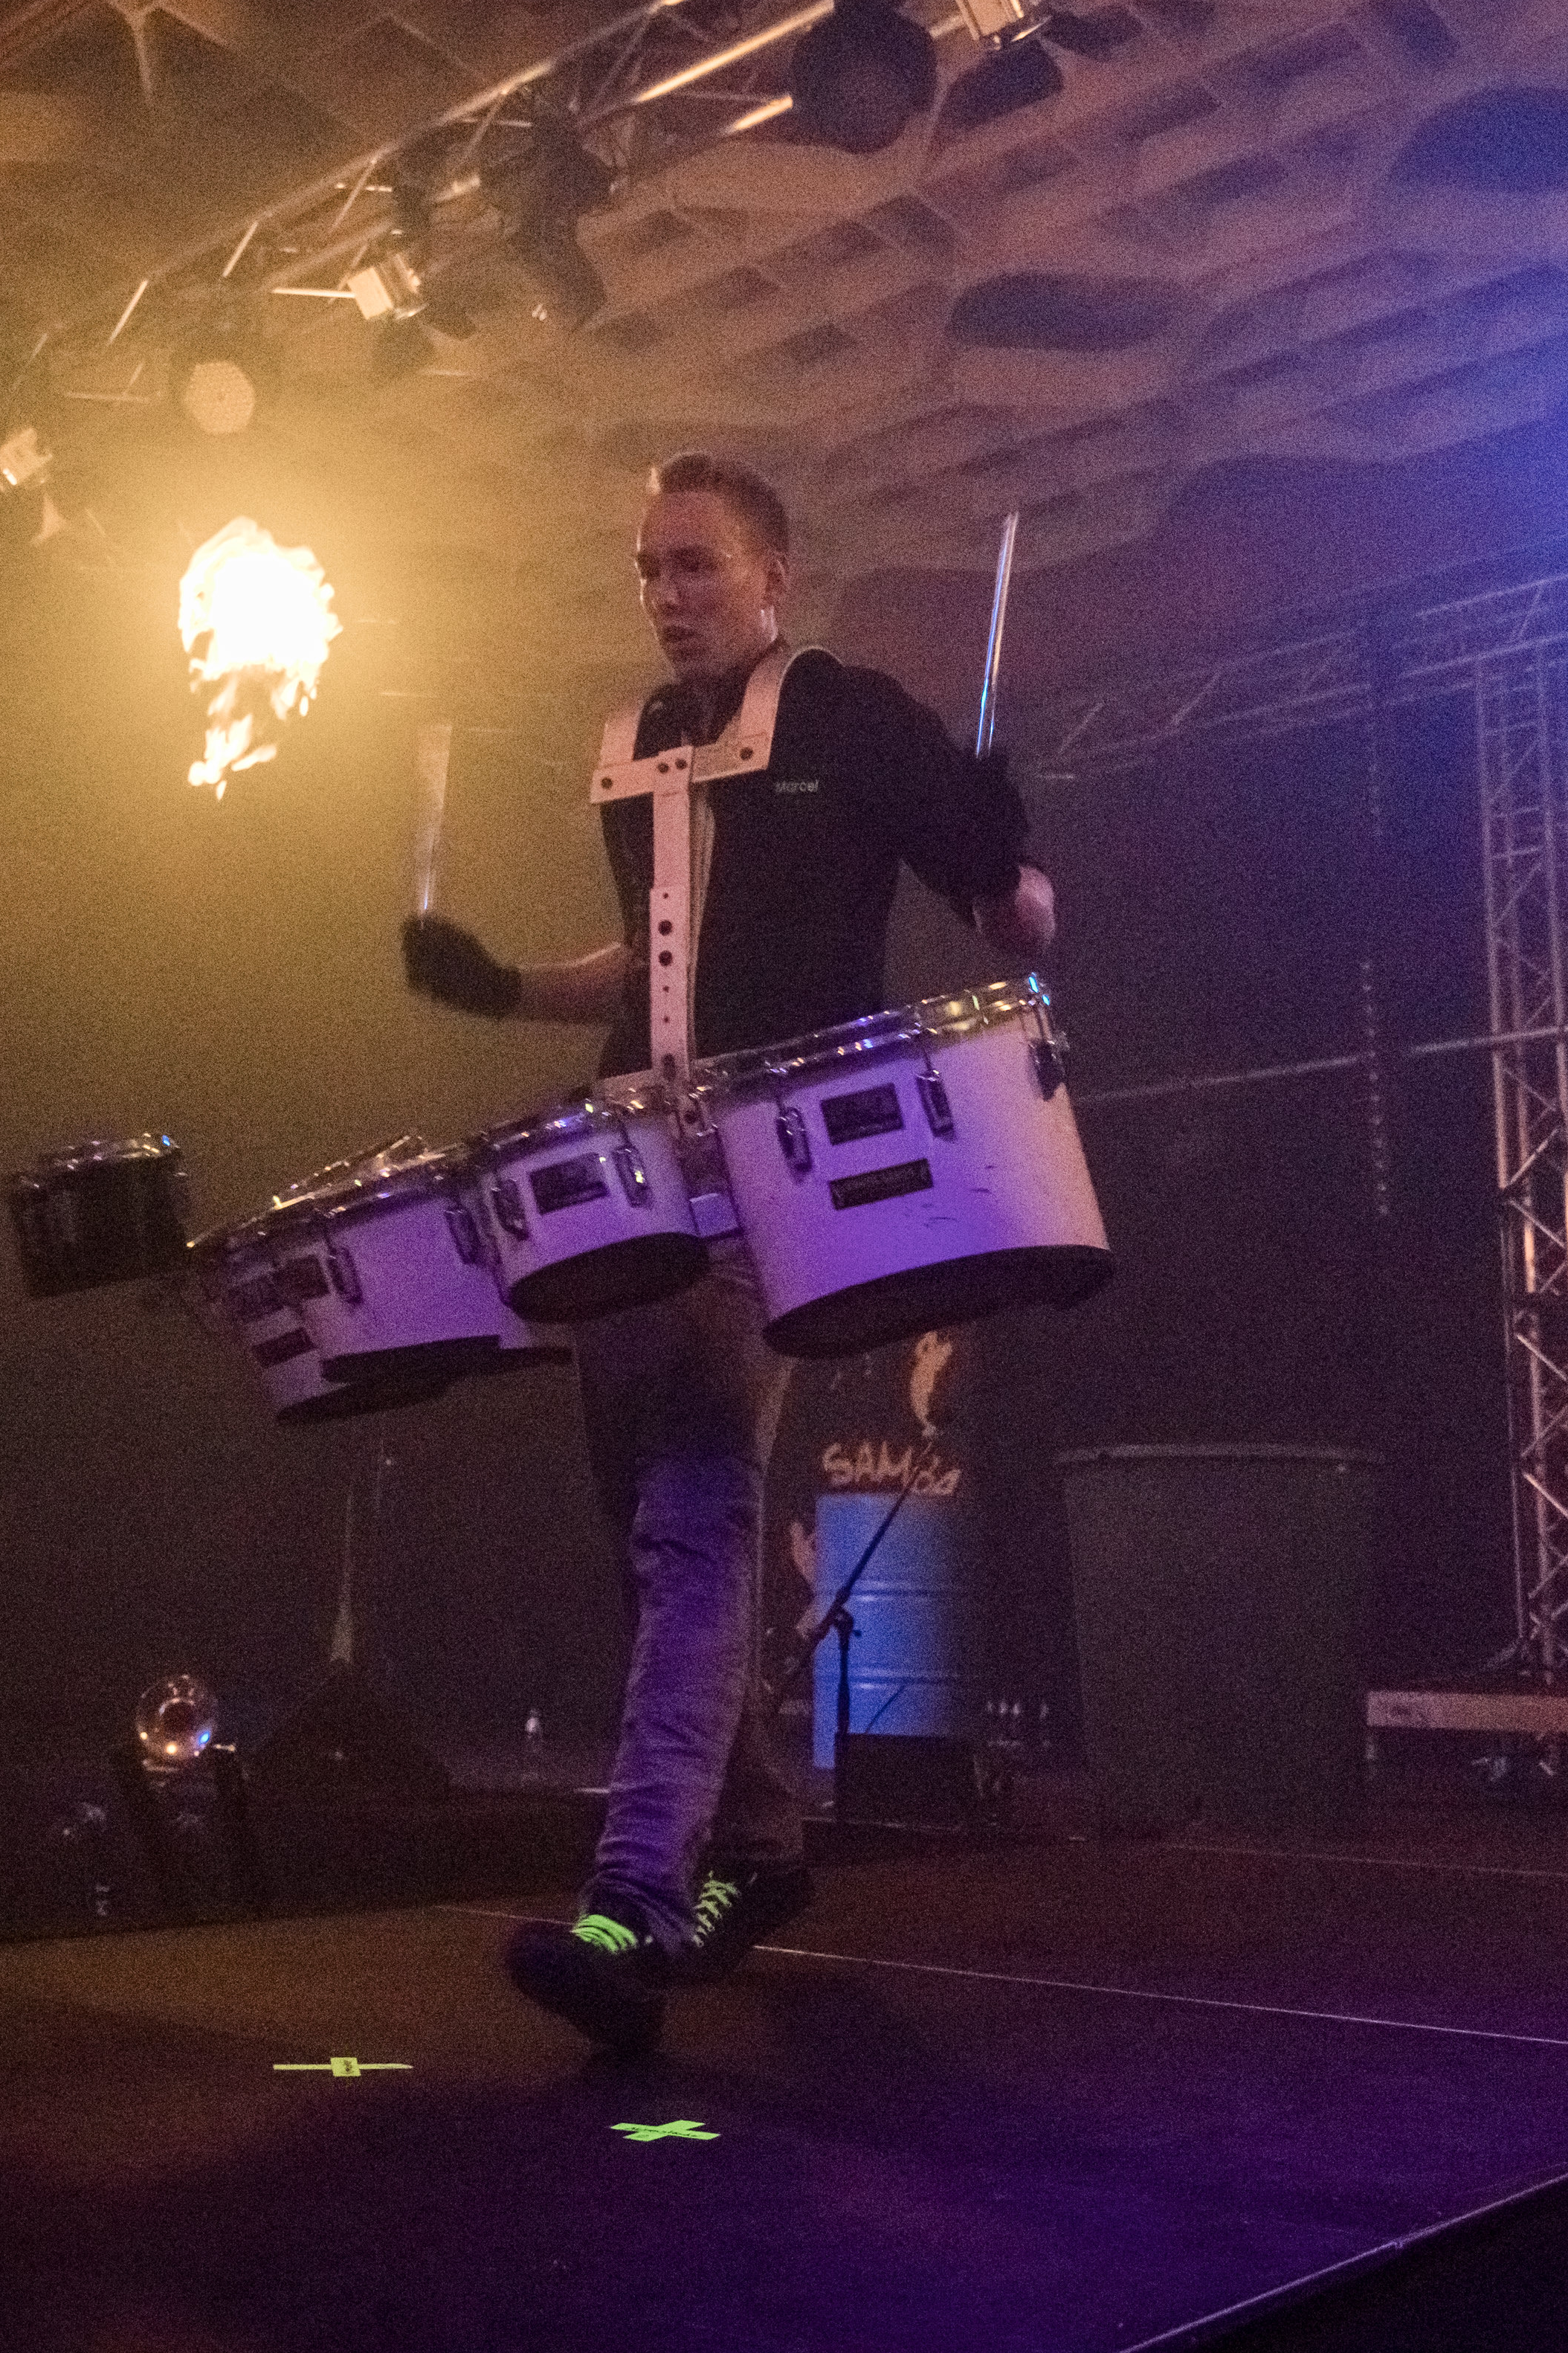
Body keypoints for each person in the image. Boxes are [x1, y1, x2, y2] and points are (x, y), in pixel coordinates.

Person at [400, 453, 1056, 2053]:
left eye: (694, 565)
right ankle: (758, 1846)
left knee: (693, 1517)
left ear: (774, 576)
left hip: (771, 1172)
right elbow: (658, 957)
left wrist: (997, 856)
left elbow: (1020, 919)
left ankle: (631, 1898)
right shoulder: (633, 740)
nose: (666, 595)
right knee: (641, 1535)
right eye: (648, 568)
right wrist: (500, 988)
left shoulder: (848, 717)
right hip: (627, 1174)